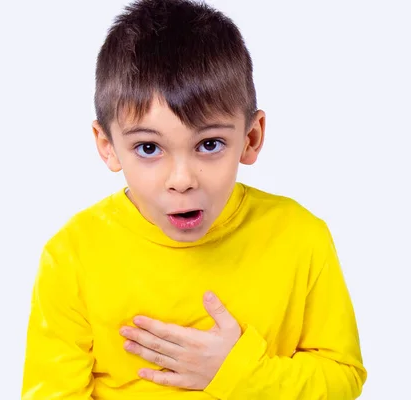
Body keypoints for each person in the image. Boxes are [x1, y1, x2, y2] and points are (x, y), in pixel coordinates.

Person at [21, 0, 367, 398]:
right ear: (108, 146)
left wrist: (234, 371)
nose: (182, 180)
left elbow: (343, 377)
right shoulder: (72, 257)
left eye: (209, 144)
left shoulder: (301, 237)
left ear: (251, 138)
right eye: (149, 148)